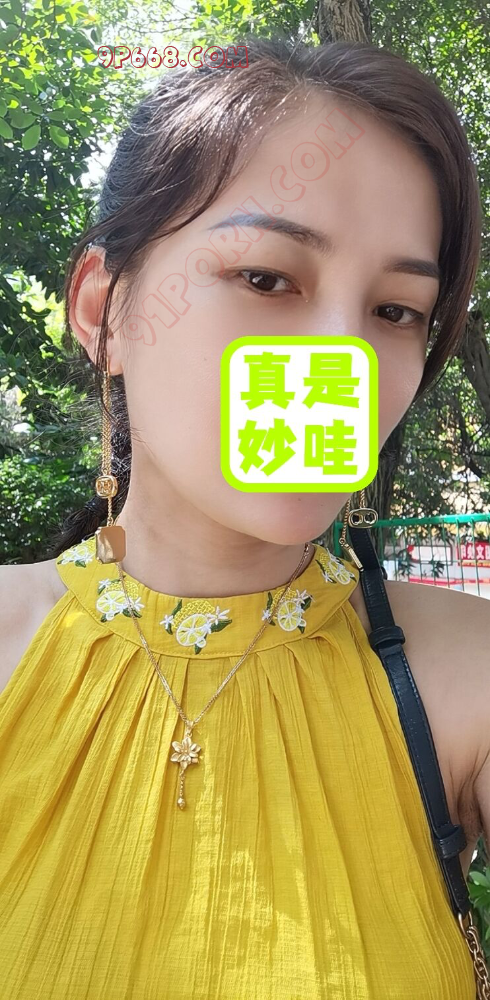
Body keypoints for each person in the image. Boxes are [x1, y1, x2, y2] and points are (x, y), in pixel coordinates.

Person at [0, 33, 488, 1000]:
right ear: (103, 311)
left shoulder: (465, 674)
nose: (340, 366)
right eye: (266, 279)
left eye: (396, 311)